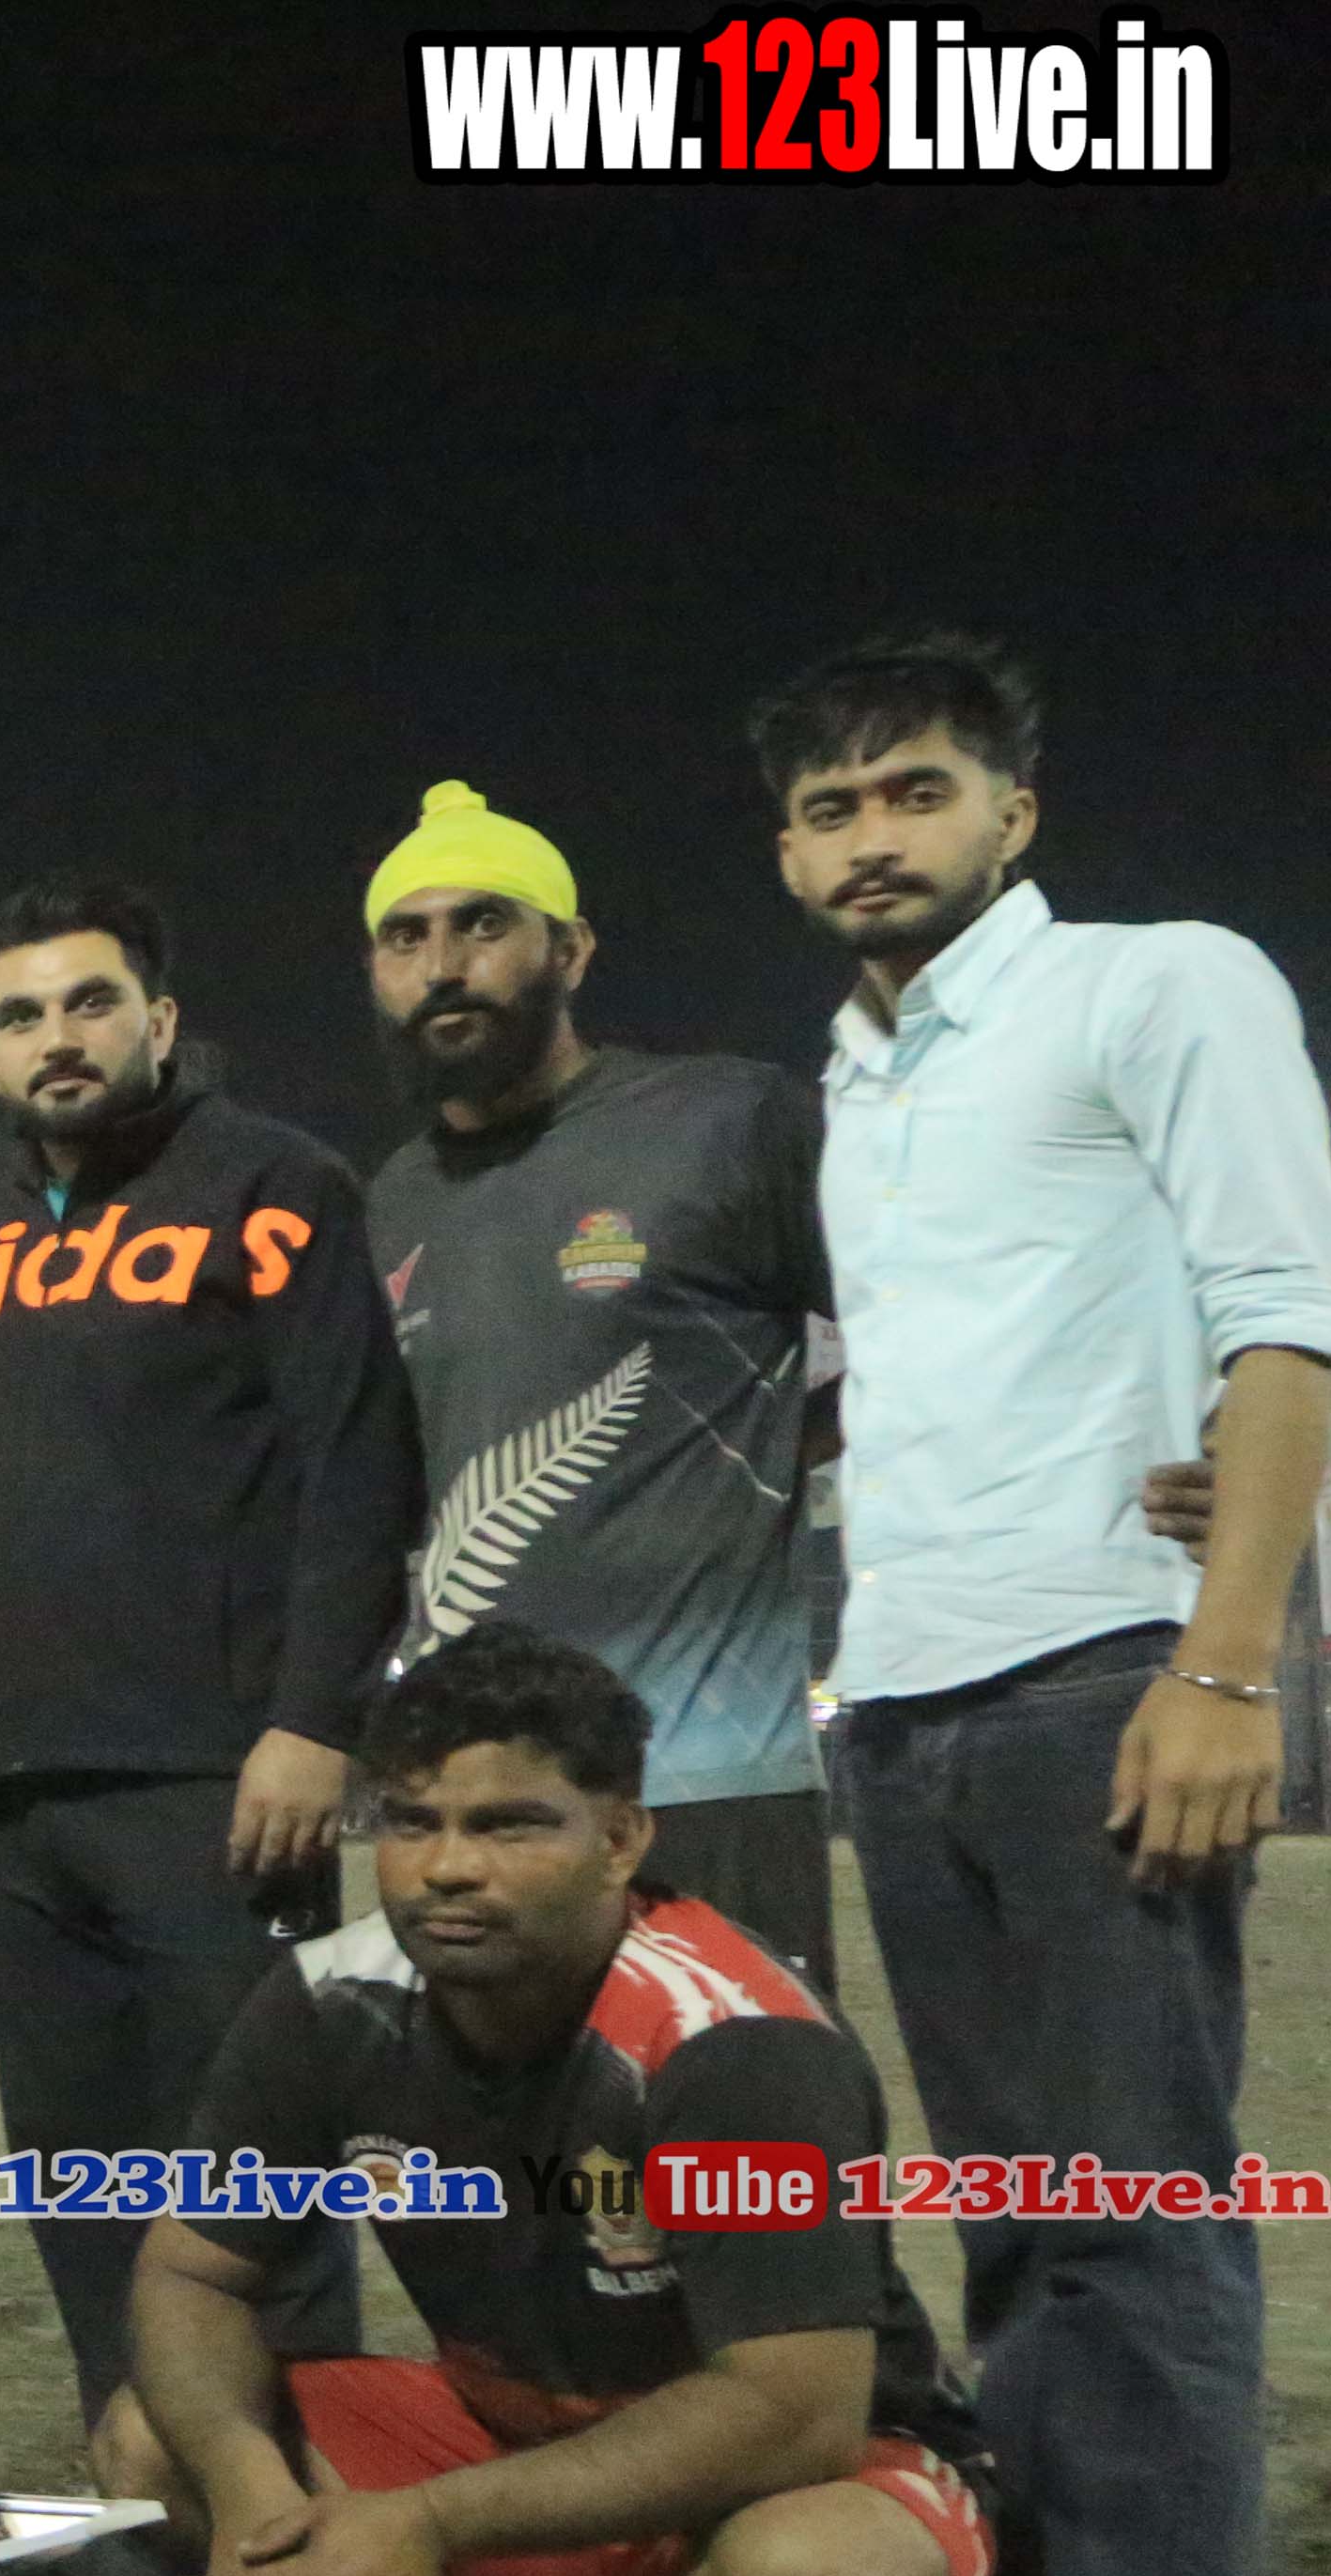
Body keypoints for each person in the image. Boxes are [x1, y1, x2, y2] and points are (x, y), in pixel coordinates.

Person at [754, 630, 1331, 2576]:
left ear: (1012, 809)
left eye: (912, 790)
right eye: (826, 808)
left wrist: (1227, 1665)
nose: (868, 838)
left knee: (1137, 2231)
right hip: (903, 1699)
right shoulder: (848, 1089)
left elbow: (1283, 1313)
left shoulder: (1153, 984)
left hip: (1100, 1681)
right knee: (1018, 2237)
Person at [129, 1624, 987, 2576]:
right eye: (411, 1822)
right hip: (523, 2446)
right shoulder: (332, 1999)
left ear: (622, 1838)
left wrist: (422, 2524)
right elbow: (191, 2270)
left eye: (509, 1824)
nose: (446, 1866)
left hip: (790, 2484)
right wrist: (249, 2505)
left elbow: (797, 2413)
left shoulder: (730, 2040)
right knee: (156, 2436)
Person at [0, 877, 421, 2510]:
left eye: (89, 1002)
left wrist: (314, 1721)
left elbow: (359, 1469)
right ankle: (145, 2499)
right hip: (26, 1792)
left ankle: (303, 2525)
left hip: (221, 1777)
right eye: (17, 1015)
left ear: (159, 1017)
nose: (55, 1038)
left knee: (255, 2179)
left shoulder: (275, 1185)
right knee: (80, 2180)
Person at [357, 784, 843, 1987]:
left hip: (708, 1774)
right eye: (406, 937)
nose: (443, 966)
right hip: (480, 1802)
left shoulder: (730, 1122)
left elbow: (938, 1318)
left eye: (483, 924)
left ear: (571, 950)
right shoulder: (392, 1201)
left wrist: (782, 1437)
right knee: (507, 2110)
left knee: (735, 2103)